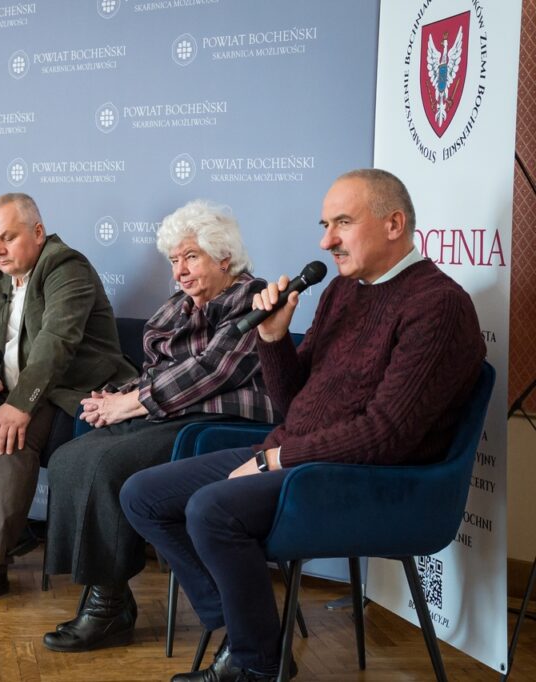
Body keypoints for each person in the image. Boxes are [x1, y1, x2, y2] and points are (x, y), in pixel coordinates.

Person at [120, 169, 486, 682]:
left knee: (211, 509)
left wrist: (276, 459)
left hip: (366, 479)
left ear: (393, 224)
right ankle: (249, 635)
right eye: (324, 225)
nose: (325, 241)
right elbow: (294, 404)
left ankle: (255, 663)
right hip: (298, 456)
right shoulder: (342, 291)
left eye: (342, 223)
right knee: (142, 495)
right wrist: (272, 338)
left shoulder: (438, 305)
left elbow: (385, 434)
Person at [42, 200, 278, 653]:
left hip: (222, 424)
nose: (180, 271)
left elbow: (213, 371)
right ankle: (108, 596)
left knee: (107, 463)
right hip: (169, 414)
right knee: (70, 456)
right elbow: (155, 373)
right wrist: (115, 397)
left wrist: (132, 404)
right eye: (174, 260)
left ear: (224, 257)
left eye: (191, 257)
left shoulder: (254, 298)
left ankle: (107, 608)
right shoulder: (177, 307)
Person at [0, 192, 136, 607]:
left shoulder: (66, 267)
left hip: (71, 393)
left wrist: (20, 404)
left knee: (10, 435)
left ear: (38, 232)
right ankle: (11, 530)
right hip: (11, 389)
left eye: (8, 237)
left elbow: (55, 345)